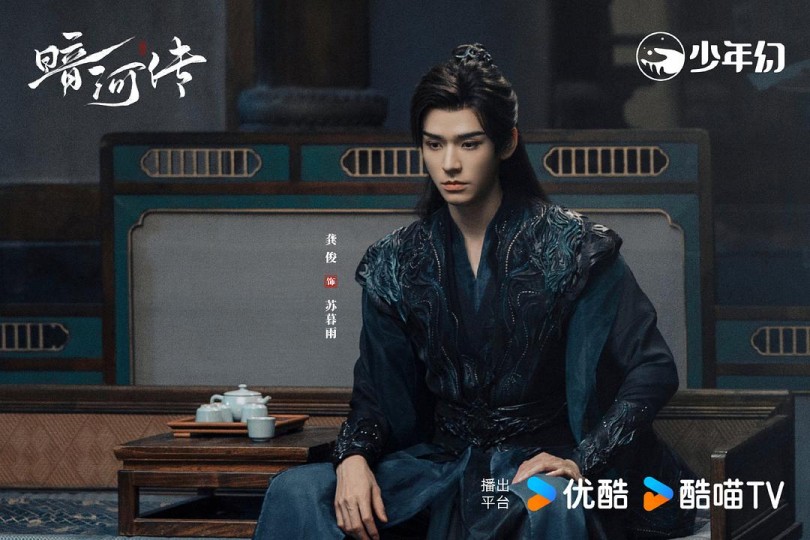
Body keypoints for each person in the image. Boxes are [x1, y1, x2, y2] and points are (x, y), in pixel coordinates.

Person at [253, 43, 695, 540]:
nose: (449, 164)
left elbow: (652, 368)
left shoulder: (576, 249)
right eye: (433, 144)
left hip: (539, 467)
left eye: (469, 144)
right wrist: (353, 458)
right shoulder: (395, 262)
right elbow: (376, 393)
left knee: (548, 506)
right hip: (442, 469)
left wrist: (581, 459)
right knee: (298, 492)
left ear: (506, 144)